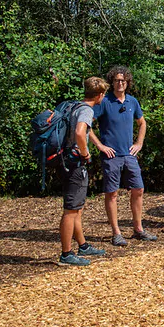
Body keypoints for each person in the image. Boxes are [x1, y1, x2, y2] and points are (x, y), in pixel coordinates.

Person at [90, 65, 157, 246]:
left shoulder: (132, 102)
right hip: (111, 156)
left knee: (138, 189)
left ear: (127, 83)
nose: (120, 83)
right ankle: (116, 233)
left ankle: (138, 229)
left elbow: (142, 123)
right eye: (117, 80)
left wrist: (139, 143)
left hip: (129, 155)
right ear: (112, 82)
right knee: (112, 193)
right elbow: (86, 125)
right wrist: (100, 146)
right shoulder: (104, 101)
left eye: (123, 80)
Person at [58, 77, 109, 266]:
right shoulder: (87, 110)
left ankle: (83, 245)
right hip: (74, 164)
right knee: (71, 210)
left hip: (65, 162)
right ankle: (66, 254)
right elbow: (80, 132)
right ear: (100, 95)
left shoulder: (74, 106)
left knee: (77, 208)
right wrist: (85, 153)